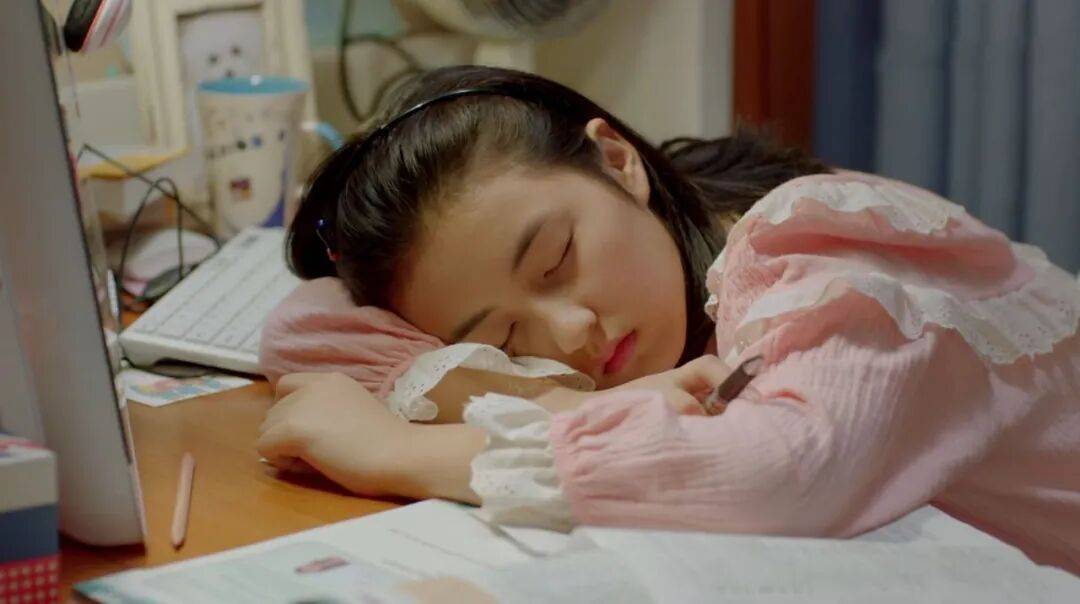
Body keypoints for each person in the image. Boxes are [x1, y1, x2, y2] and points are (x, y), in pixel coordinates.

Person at [256, 65, 1080, 573]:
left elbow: (784, 469)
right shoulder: (674, 221)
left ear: (618, 161)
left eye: (556, 260)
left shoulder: (803, 244)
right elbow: (307, 328)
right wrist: (569, 402)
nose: (567, 333)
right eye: (504, 338)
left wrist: (399, 453)